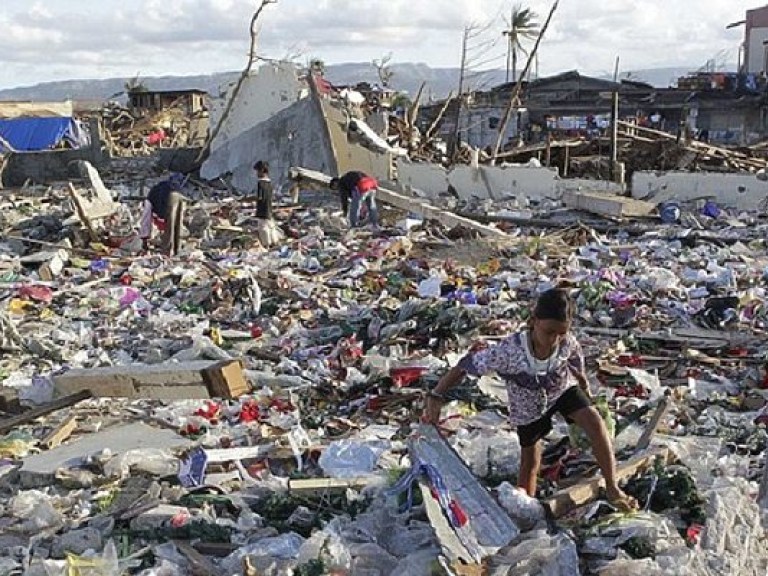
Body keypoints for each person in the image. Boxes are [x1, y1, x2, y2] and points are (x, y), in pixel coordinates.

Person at [422, 288, 638, 511]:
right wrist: (436, 394)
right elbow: (466, 365)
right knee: (531, 463)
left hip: (561, 389)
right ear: (534, 321)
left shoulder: (566, 342)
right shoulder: (509, 352)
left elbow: (574, 358)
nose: (554, 339)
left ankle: (613, 487)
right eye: (549, 332)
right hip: (528, 405)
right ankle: (525, 509)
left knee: (595, 423)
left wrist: (584, 388)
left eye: (561, 333)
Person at [140, 173, 187, 256]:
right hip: (180, 195)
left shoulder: (149, 199)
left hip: (171, 197)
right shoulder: (156, 192)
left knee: (170, 226)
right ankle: (177, 249)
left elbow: (145, 220)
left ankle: (167, 251)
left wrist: (144, 238)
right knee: (177, 224)